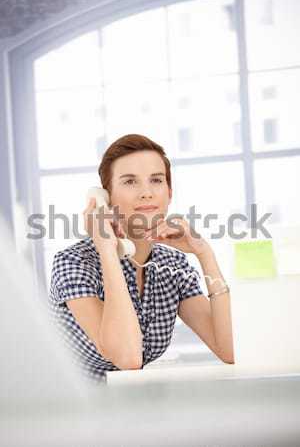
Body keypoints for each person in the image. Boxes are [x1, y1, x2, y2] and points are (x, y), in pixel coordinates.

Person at [49, 134, 234, 384]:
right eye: (130, 182)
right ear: (106, 197)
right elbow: (127, 358)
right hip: (73, 410)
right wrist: (107, 250)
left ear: (169, 193)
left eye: (156, 180)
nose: (146, 193)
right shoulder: (73, 263)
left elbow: (229, 350)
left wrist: (204, 253)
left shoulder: (173, 266)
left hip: (133, 409)